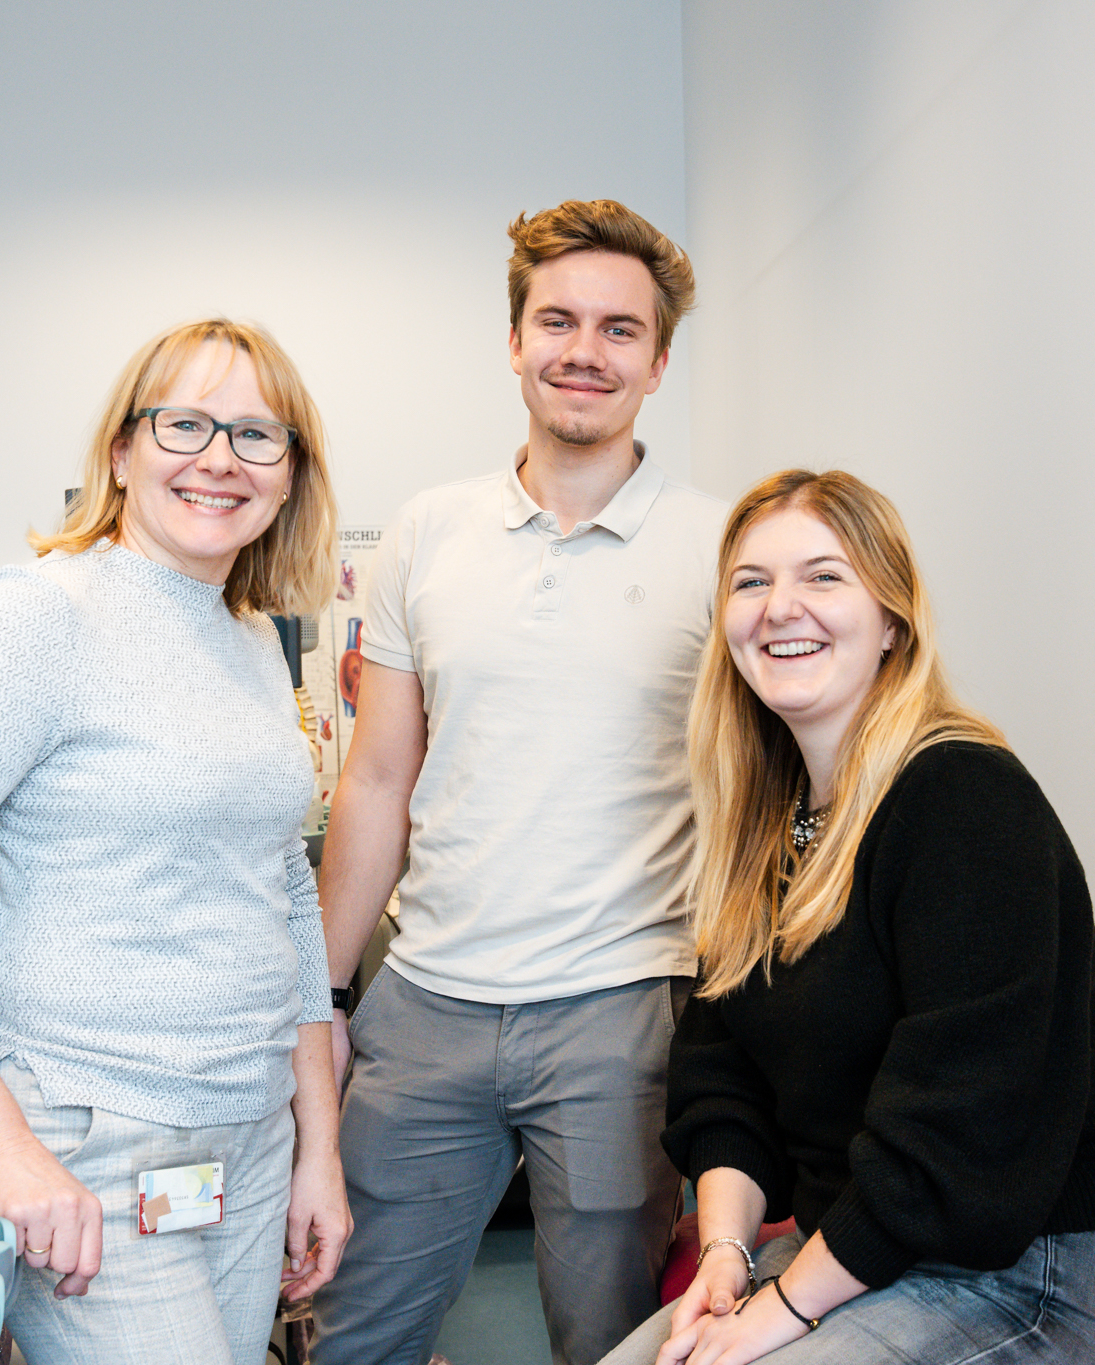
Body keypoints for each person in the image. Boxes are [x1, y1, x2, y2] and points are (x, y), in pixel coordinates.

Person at [0, 319, 351, 1365]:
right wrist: (1, 1147)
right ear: (120, 450)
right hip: (88, 1148)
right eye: (184, 423)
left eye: (254, 435)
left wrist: (316, 1148)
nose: (217, 459)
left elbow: (282, 892)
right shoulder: (41, 617)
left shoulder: (246, 638)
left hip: (247, 1137)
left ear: (289, 477)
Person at [599, 469, 1095, 1365]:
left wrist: (780, 1308)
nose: (781, 606)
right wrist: (724, 1254)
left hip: (1038, 1274)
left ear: (893, 620)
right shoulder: (767, 824)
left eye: (824, 576)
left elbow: (956, 1138)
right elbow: (723, 1077)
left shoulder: (964, 799)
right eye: (751, 582)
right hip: (868, 1251)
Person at [309, 200, 728, 1365]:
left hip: (621, 1014)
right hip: (426, 1008)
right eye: (556, 320)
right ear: (513, 341)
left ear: (655, 362)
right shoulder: (427, 534)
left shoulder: (719, 547)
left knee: (611, 1344)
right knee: (354, 1335)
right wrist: (325, 1000)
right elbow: (378, 779)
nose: (582, 351)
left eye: (617, 329)